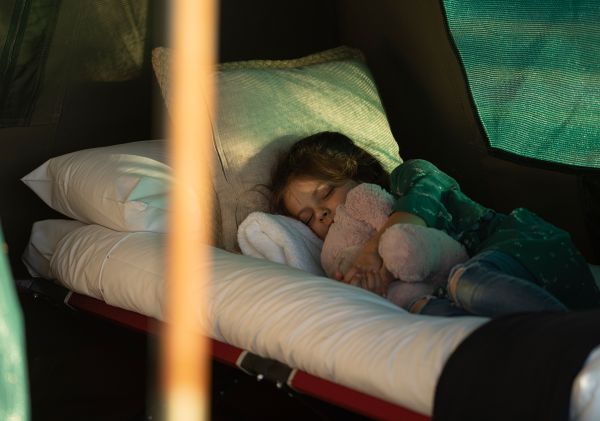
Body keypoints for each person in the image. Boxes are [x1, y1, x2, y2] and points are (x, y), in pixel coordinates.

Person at [270, 131, 600, 317]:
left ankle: (582, 345)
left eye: (326, 193)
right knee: (431, 312)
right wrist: (372, 289)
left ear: (360, 174)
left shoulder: (405, 180)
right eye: (307, 218)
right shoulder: (346, 255)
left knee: (467, 281)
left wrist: (374, 250)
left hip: (524, 248)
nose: (322, 215)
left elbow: (427, 189)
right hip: (494, 292)